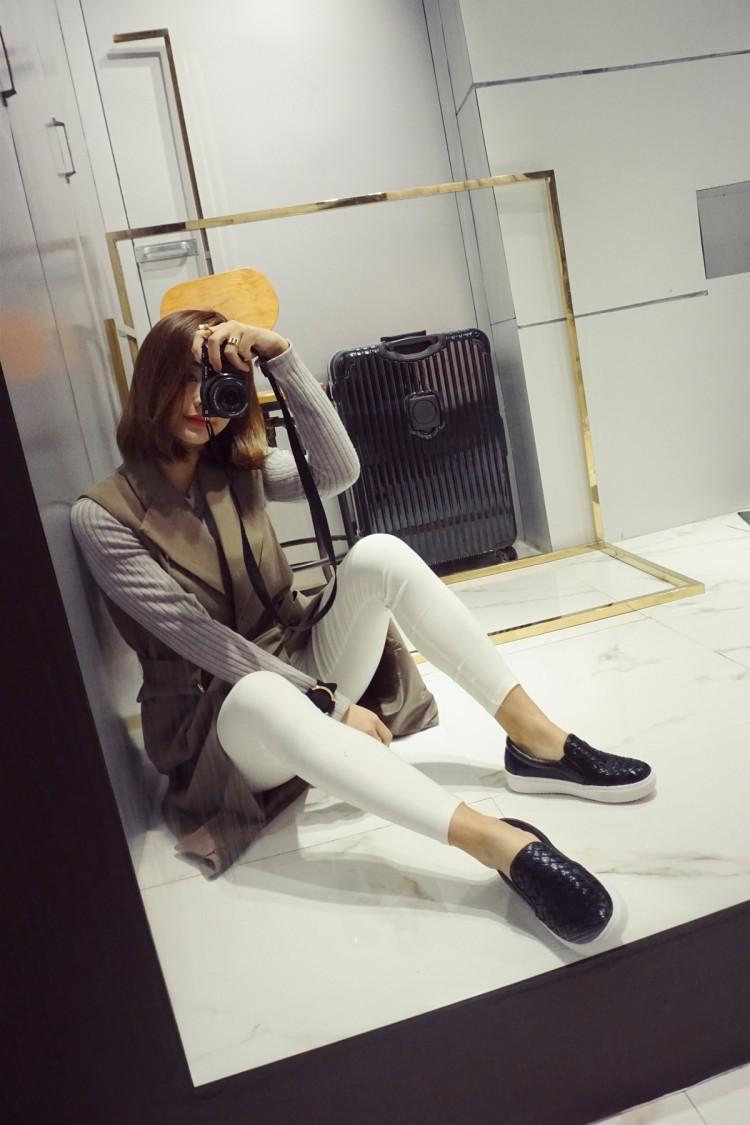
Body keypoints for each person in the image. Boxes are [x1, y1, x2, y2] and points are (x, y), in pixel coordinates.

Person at [71, 309, 655, 952]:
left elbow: (338, 470)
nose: (198, 401)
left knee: (379, 553)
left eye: (212, 383)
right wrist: (326, 701)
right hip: (223, 722)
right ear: (150, 382)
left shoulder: (234, 466)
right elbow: (200, 638)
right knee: (263, 692)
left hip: (298, 659)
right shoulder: (103, 517)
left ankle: (537, 742)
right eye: (183, 378)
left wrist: (281, 356)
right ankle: (498, 843)